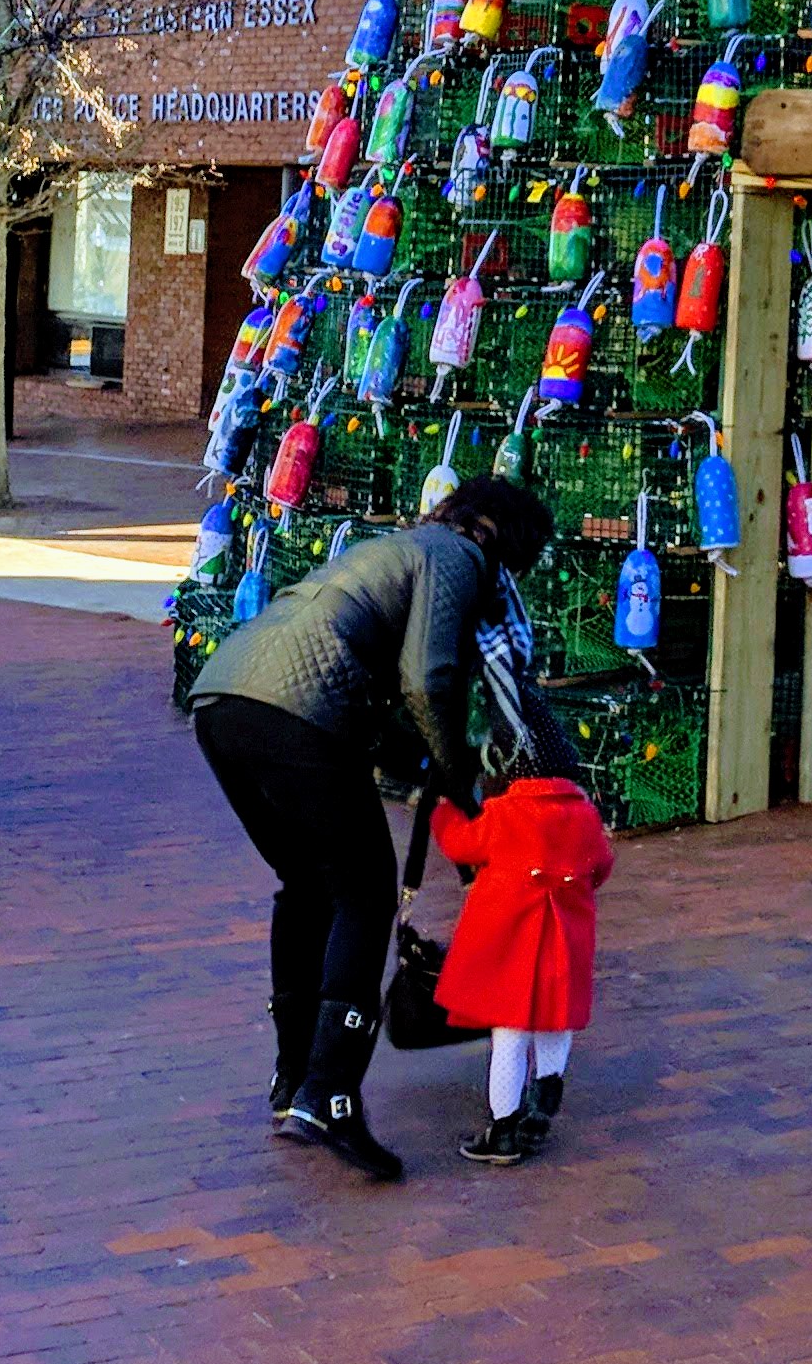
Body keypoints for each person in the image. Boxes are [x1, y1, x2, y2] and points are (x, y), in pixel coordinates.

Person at [187, 477, 553, 1182]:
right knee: (365, 894)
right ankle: (331, 1096)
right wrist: (458, 778)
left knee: (306, 886)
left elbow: (381, 669)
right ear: (501, 537)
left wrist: (415, 756)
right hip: (301, 714)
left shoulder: (401, 546)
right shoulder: (458, 557)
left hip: (225, 701)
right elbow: (428, 677)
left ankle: (294, 1078)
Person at [431, 756, 614, 1166]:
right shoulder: (584, 814)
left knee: (509, 1036)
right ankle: (543, 1101)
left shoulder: (504, 814)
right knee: (556, 1020)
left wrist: (444, 809)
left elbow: (460, 842)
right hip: (565, 940)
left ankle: (504, 1129)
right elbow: (601, 866)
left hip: (512, 944)